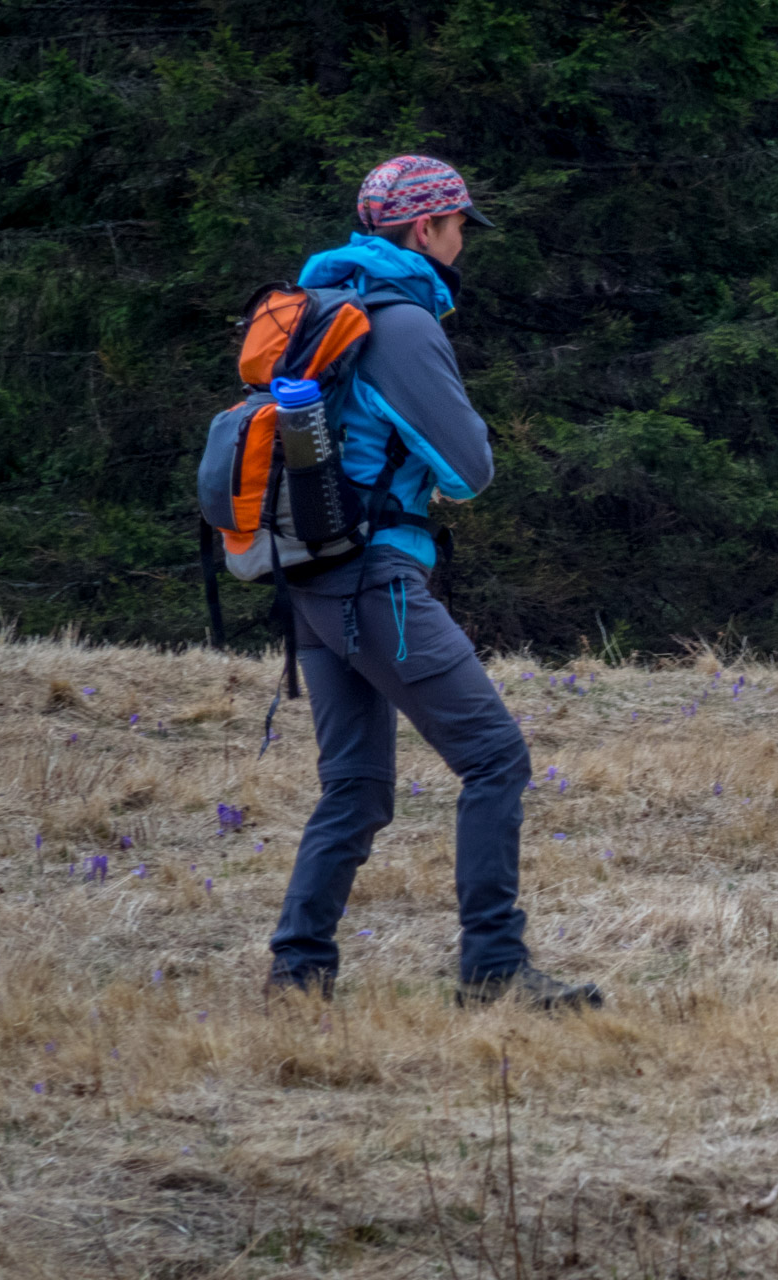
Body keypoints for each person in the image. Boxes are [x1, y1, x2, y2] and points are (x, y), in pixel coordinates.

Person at [265, 155, 599, 1012]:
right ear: (425, 231)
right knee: (494, 758)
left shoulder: (326, 308)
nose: (464, 245)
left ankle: (299, 975)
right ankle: (493, 968)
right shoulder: (403, 323)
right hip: (378, 578)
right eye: (459, 229)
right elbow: (472, 465)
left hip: (312, 575)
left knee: (357, 787)